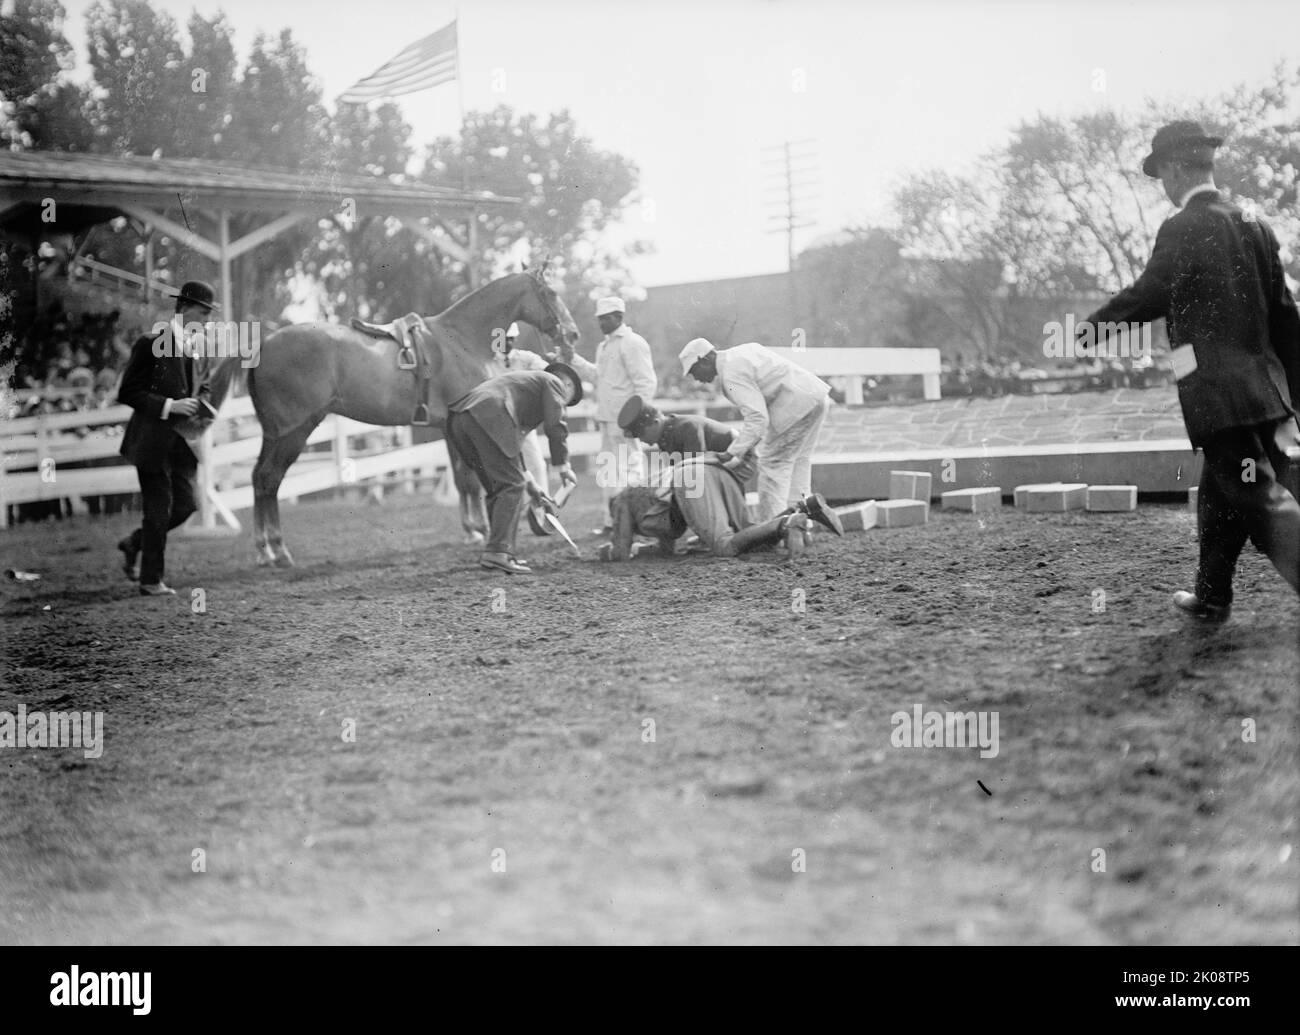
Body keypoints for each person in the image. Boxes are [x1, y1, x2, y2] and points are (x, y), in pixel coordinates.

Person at [1077, 120, 1300, 621]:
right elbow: (1287, 314)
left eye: (1163, 175)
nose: (1166, 187)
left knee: (1262, 503)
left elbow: (1149, 293)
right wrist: (1294, 394)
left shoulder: (1182, 227)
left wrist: (1089, 330)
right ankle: (1212, 594)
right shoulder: (1255, 223)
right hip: (1265, 393)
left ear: (1177, 168)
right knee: (1222, 495)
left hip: (1219, 398)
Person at [116, 281, 217, 596]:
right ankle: (150, 580)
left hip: (179, 442)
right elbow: (127, 391)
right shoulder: (150, 342)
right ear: (184, 309)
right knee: (159, 508)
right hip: (150, 440)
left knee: (185, 506)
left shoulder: (196, 347)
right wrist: (169, 406)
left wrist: (201, 404)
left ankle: (134, 543)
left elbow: (202, 386)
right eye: (203, 314)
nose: (206, 322)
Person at [445, 364, 582, 575]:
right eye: (567, 401)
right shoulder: (554, 383)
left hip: (461, 418)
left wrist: (532, 485)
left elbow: (511, 447)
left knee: (498, 487)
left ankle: (499, 552)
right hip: (489, 416)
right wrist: (564, 467)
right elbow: (556, 426)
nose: (564, 405)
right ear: (568, 384)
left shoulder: (523, 387)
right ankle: (499, 552)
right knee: (511, 485)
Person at [678, 337, 832, 522]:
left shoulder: (730, 375)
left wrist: (731, 452)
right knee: (798, 462)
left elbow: (758, 419)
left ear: (706, 358)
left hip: (796, 407)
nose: (696, 378)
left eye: (695, 370)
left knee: (772, 466)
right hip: (815, 397)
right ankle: (801, 524)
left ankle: (773, 530)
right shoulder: (741, 352)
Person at [600, 456, 843, 562]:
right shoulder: (642, 492)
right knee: (749, 532)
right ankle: (803, 508)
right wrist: (642, 550)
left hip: (689, 479)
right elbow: (667, 546)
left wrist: (609, 552)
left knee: (724, 545)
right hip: (710, 468)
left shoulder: (620, 500)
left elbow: (621, 552)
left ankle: (788, 524)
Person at [561, 295, 656, 533]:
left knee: (631, 469)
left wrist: (637, 418)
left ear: (619, 317)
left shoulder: (633, 343)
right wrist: (571, 358)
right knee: (609, 470)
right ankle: (612, 521)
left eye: (606, 318)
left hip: (627, 419)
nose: (601, 323)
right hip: (607, 417)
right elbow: (598, 376)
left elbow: (646, 383)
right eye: (599, 319)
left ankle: (634, 522)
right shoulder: (604, 346)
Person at [616, 394, 755, 481]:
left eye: (641, 434)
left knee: (692, 484)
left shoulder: (687, 427)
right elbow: (673, 473)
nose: (641, 440)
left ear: (655, 423)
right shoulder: (665, 435)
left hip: (743, 460)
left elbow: (694, 470)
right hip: (722, 465)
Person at [490, 322, 553, 510]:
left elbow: (548, 372)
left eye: (510, 339)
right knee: (503, 472)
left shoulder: (526, 358)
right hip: (497, 425)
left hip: (522, 423)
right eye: (503, 339)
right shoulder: (487, 361)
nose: (507, 343)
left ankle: (541, 510)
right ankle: (509, 511)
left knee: (536, 464)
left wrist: (553, 362)